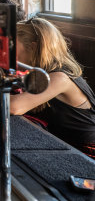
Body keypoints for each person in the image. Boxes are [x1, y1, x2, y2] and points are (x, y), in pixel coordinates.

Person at [10, 17, 95, 158]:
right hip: (65, 146)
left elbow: (14, 106)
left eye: (14, 48)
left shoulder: (60, 77)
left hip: (86, 153)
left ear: (32, 47)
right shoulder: (42, 71)